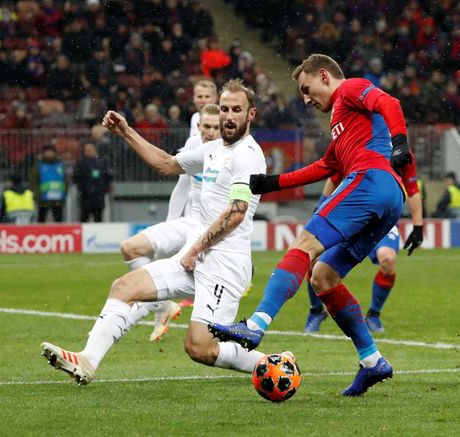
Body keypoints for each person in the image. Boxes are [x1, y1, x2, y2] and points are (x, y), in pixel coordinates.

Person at [40, 80, 272, 385]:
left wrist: (194, 249)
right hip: (196, 255)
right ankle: (87, 360)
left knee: (199, 348)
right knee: (124, 287)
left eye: (236, 110)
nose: (229, 116)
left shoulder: (249, 155)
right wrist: (126, 132)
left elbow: (237, 212)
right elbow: (166, 164)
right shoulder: (213, 149)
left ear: (250, 114)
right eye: (225, 109)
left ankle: (269, 363)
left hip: (224, 265)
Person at [208, 54, 413, 397]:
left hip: (370, 179)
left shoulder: (350, 88)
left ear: (323, 76)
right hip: (390, 197)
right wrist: (273, 183)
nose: (305, 98)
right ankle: (372, 360)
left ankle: (255, 325)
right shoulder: (342, 123)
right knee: (323, 276)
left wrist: (400, 141)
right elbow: (325, 166)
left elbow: (387, 101)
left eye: (306, 89)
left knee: (304, 245)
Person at [118, 80, 218, 335]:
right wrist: (171, 221)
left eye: (208, 95)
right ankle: (162, 305)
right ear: (198, 125)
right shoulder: (195, 144)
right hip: (188, 221)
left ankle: (115, 326)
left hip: (212, 232)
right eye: (204, 126)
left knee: (201, 337)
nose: (208, 131)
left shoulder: (237, 149)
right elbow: (180, 179)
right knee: (130, 248)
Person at [304, 153, 424, 333]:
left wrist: (418, 226)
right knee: (314, 257)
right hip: (350, 215)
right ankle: (316, 311)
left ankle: (373, 316)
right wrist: (319, 208)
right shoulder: (359, 143)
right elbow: (334, 177)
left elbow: (412, 189)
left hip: (381, 220)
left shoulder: (401, 151)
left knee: (388, 260)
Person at [73, 142, 113, 223]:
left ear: (95, 150)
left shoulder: (102, 163)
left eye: (90, 149)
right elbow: (76, 178)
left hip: (98, 196)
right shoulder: (80, 163)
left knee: (98, 218)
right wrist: (83, 188)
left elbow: (108, 177)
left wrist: (104, 188)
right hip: (85, 196)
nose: (88, 151)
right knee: (84, 218)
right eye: (86, 150)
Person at [30, 144, 67, 223]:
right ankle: (40, 234)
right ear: (43, 153)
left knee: (59, 220)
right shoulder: (38, 165)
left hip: (58, 198)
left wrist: (64, 192)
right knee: (41, 219)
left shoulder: (60, 165)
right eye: (47, 152)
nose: (49, 154)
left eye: (51, 152)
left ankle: (60, 234)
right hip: (43, 199)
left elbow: (66, 180)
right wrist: (38, 193)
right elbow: (33, 181)